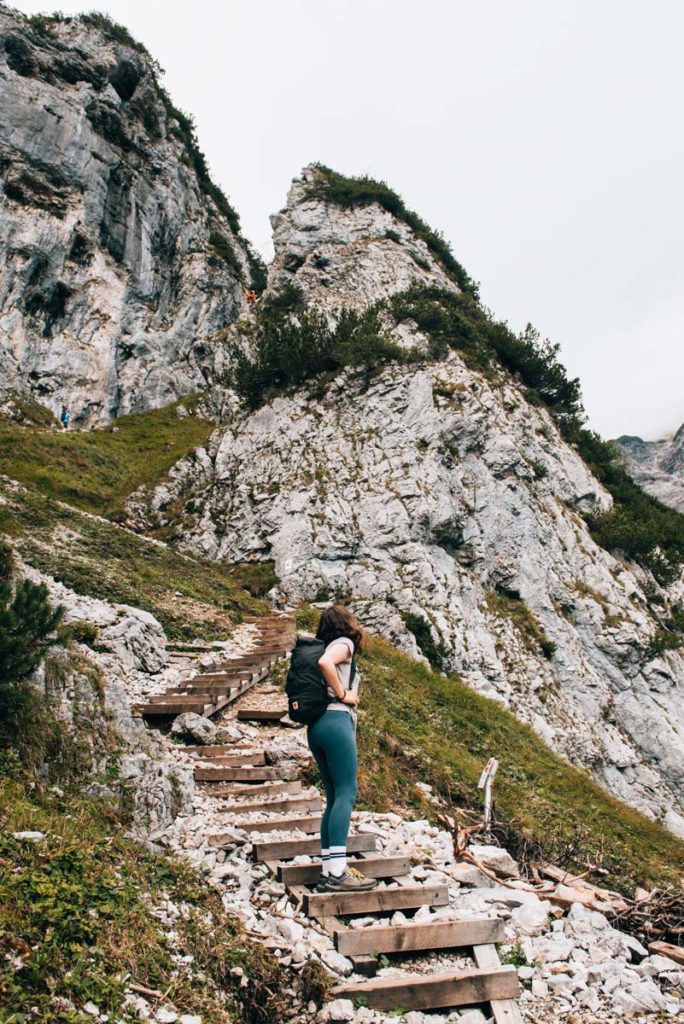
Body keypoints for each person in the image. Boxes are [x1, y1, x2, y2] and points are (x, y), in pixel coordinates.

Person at [307, 605, 377, 891]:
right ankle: (338, 871)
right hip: (336, 720)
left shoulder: (325, 643)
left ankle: (328, 869)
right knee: (347, 793)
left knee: (334, 796)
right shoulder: (344, 644)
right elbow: (326, 663)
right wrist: (344, 694)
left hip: (317, 726)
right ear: (345, 623)